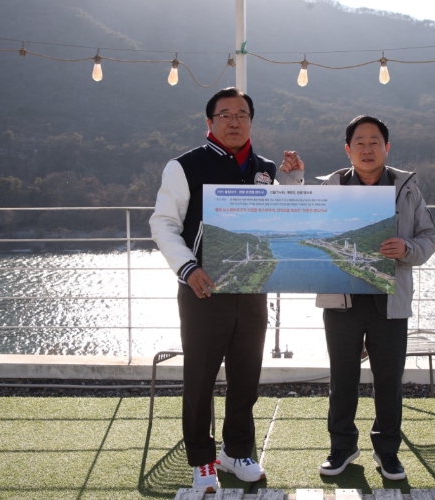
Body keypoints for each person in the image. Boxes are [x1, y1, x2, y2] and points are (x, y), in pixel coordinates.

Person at [149, 87, 304, 492]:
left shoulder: (264, 167)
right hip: (203, 289)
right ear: (210, 121)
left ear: (251, 120)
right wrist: (187, 268)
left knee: (246, 374)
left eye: (242, 115)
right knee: (200, 377)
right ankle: (202, 460)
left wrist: (291, 181)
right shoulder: (185, 166)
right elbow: (163, 223)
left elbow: (280, 219)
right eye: (225, 115)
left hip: (252, 288)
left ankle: (237, 451)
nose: (234, 122)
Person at [315, 115, 435, 480]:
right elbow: (299, 216)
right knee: (342, 379)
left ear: (387, 147)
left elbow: (430, 237)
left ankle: (387, 451)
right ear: (348, 149)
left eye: (374, 142)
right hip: (342, 300)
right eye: (360, 142)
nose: (367, 149)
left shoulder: (406, 189)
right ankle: (342, 447)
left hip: (390, 301)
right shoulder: (332, 188)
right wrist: (292, 178)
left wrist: (406, 248)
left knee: (388, 381)